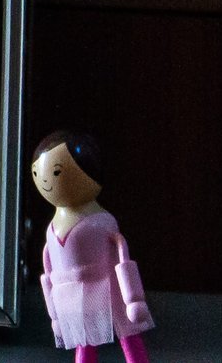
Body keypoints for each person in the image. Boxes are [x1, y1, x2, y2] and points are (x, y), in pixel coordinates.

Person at [30, 129, 156, 362]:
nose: (46, 180)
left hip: (109, 287)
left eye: (56, 172)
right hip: (70, 292)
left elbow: (122, 258)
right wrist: (54, 312)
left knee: (127, 333)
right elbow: (48, 268)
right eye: (38, 173)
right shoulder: (52, 228)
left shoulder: (102, 222)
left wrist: (133, 298)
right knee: (83, 338)